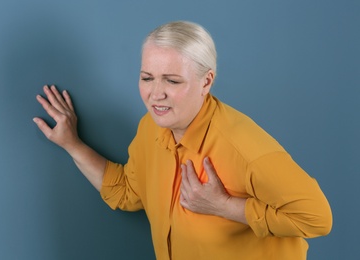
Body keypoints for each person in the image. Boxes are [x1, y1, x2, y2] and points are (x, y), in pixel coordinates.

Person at [33, 21, 332, 260]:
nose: (155, 94)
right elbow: (127, 192)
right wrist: (72, 143)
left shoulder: (243, 147)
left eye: (172, 80)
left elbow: (318, 219)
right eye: (147, 77)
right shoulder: (149, 128)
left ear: (206, 81)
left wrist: (226, 206)